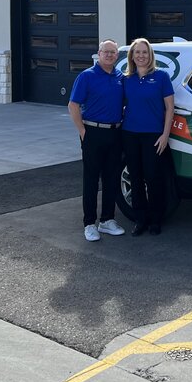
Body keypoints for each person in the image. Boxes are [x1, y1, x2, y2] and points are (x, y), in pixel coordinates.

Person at [68, 39, 126, 242]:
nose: (109, 55)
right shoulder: (87, 76)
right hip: (93, 132)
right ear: (98, 53)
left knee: (111, 179)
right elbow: (73, 105)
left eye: (113, 52)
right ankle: (89, 223)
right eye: (106, 51)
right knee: (91, 180)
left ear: (117, 56)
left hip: (115, 133)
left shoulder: (120, 76)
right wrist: (82, 131)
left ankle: (107, 220)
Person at [121, 38, 175, 236]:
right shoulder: (126, 79)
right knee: (135, 178)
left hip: (153, 135)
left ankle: (155, 219)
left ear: (150, 55)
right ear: (132, 56)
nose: (141, 56)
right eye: (137, 52)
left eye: (144, 52)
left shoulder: (161, 77)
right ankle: (139, 219)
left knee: (153, 177)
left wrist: (165, 135)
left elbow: (170, 107)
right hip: (130, 134)